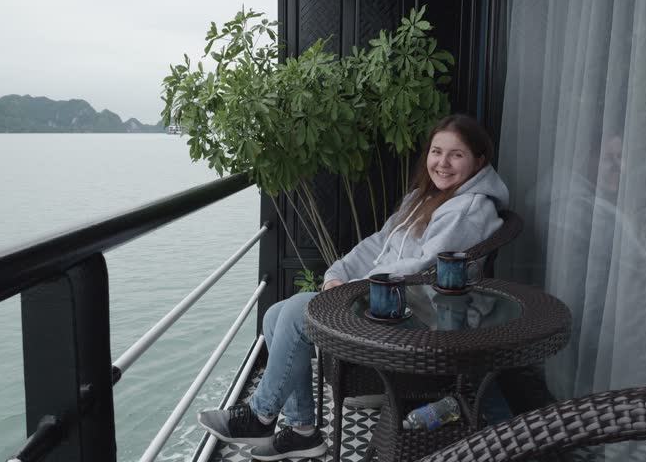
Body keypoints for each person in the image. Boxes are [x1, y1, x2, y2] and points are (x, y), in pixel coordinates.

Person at [197, 114, 510, 460]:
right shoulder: (424, 198)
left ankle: (261, 415)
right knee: (275, 314)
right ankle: (302, 431)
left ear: (479, 161)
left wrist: (350, 290)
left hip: (426, 320)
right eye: (437, 152)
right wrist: (339, 273)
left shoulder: (469, 209)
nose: (442, 163)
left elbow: (424, 267)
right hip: (389, 301)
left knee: (299, 313)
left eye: (456, 155)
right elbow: (378, 244)